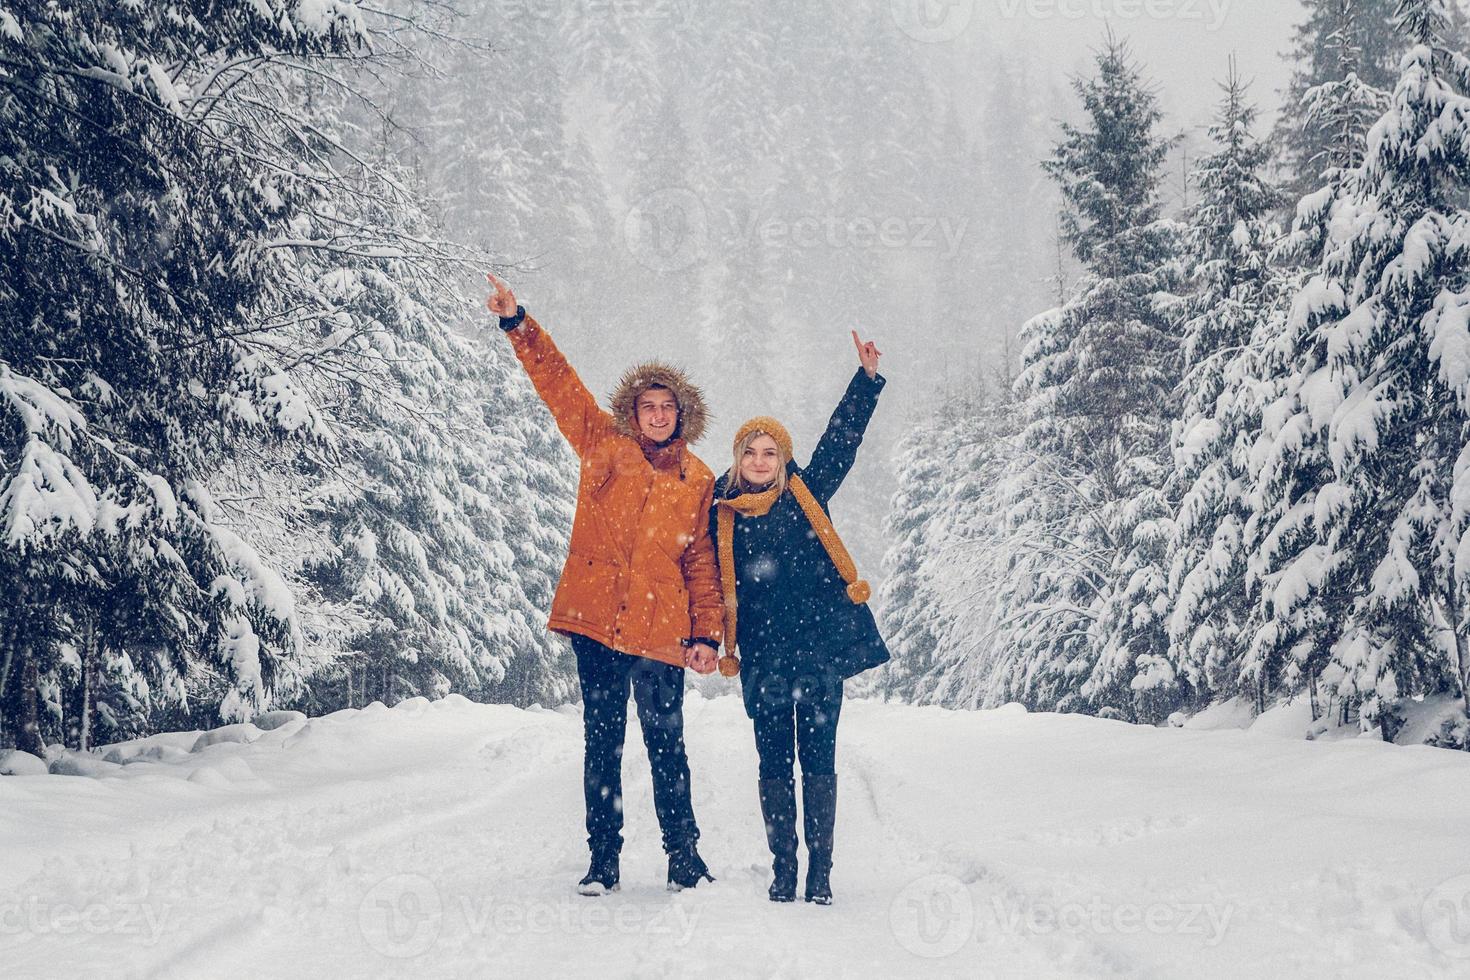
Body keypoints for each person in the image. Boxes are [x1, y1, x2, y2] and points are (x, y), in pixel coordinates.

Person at [486, 273, 724, 896]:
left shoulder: (697, 479)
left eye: (668, 408)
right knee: (603, 746)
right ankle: (603, 861)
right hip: (596, 625)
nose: (657, 415)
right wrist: (519, 323)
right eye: (648, 407)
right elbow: (558, 385)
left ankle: (684, 858)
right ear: (632, 412)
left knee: (668, 748)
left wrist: (707, 634)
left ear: (682, 416)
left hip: (661, 632)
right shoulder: (602, 445)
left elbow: (702, 562)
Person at [712, 331, 890, 906]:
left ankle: (821, 872)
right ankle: (783, 868)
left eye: (770, 452)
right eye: (751, 452)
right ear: (737, 460)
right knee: (772, 763)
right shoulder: (722, 514)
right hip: (762, 656)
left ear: (783, 459)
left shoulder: (806, 493)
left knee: (818, 760)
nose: (760, 461)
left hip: (818, 653)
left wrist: (864, 384)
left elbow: (841, 443)